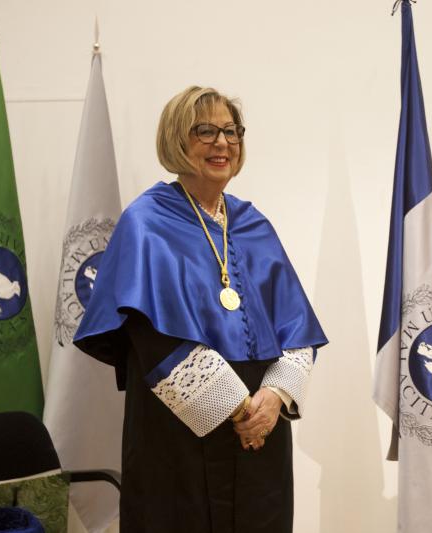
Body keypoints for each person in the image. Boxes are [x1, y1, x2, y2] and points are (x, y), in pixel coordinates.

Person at [73, 86, 328, 533]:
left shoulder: (253, 224)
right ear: (177, 138)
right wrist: (237, 409)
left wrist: (273, 400)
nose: (222, 143)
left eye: (231, 131)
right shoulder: (147, 221)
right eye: (205, 130)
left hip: (261, 429)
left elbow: (297, 329)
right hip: (180, 430)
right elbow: (150, 334)